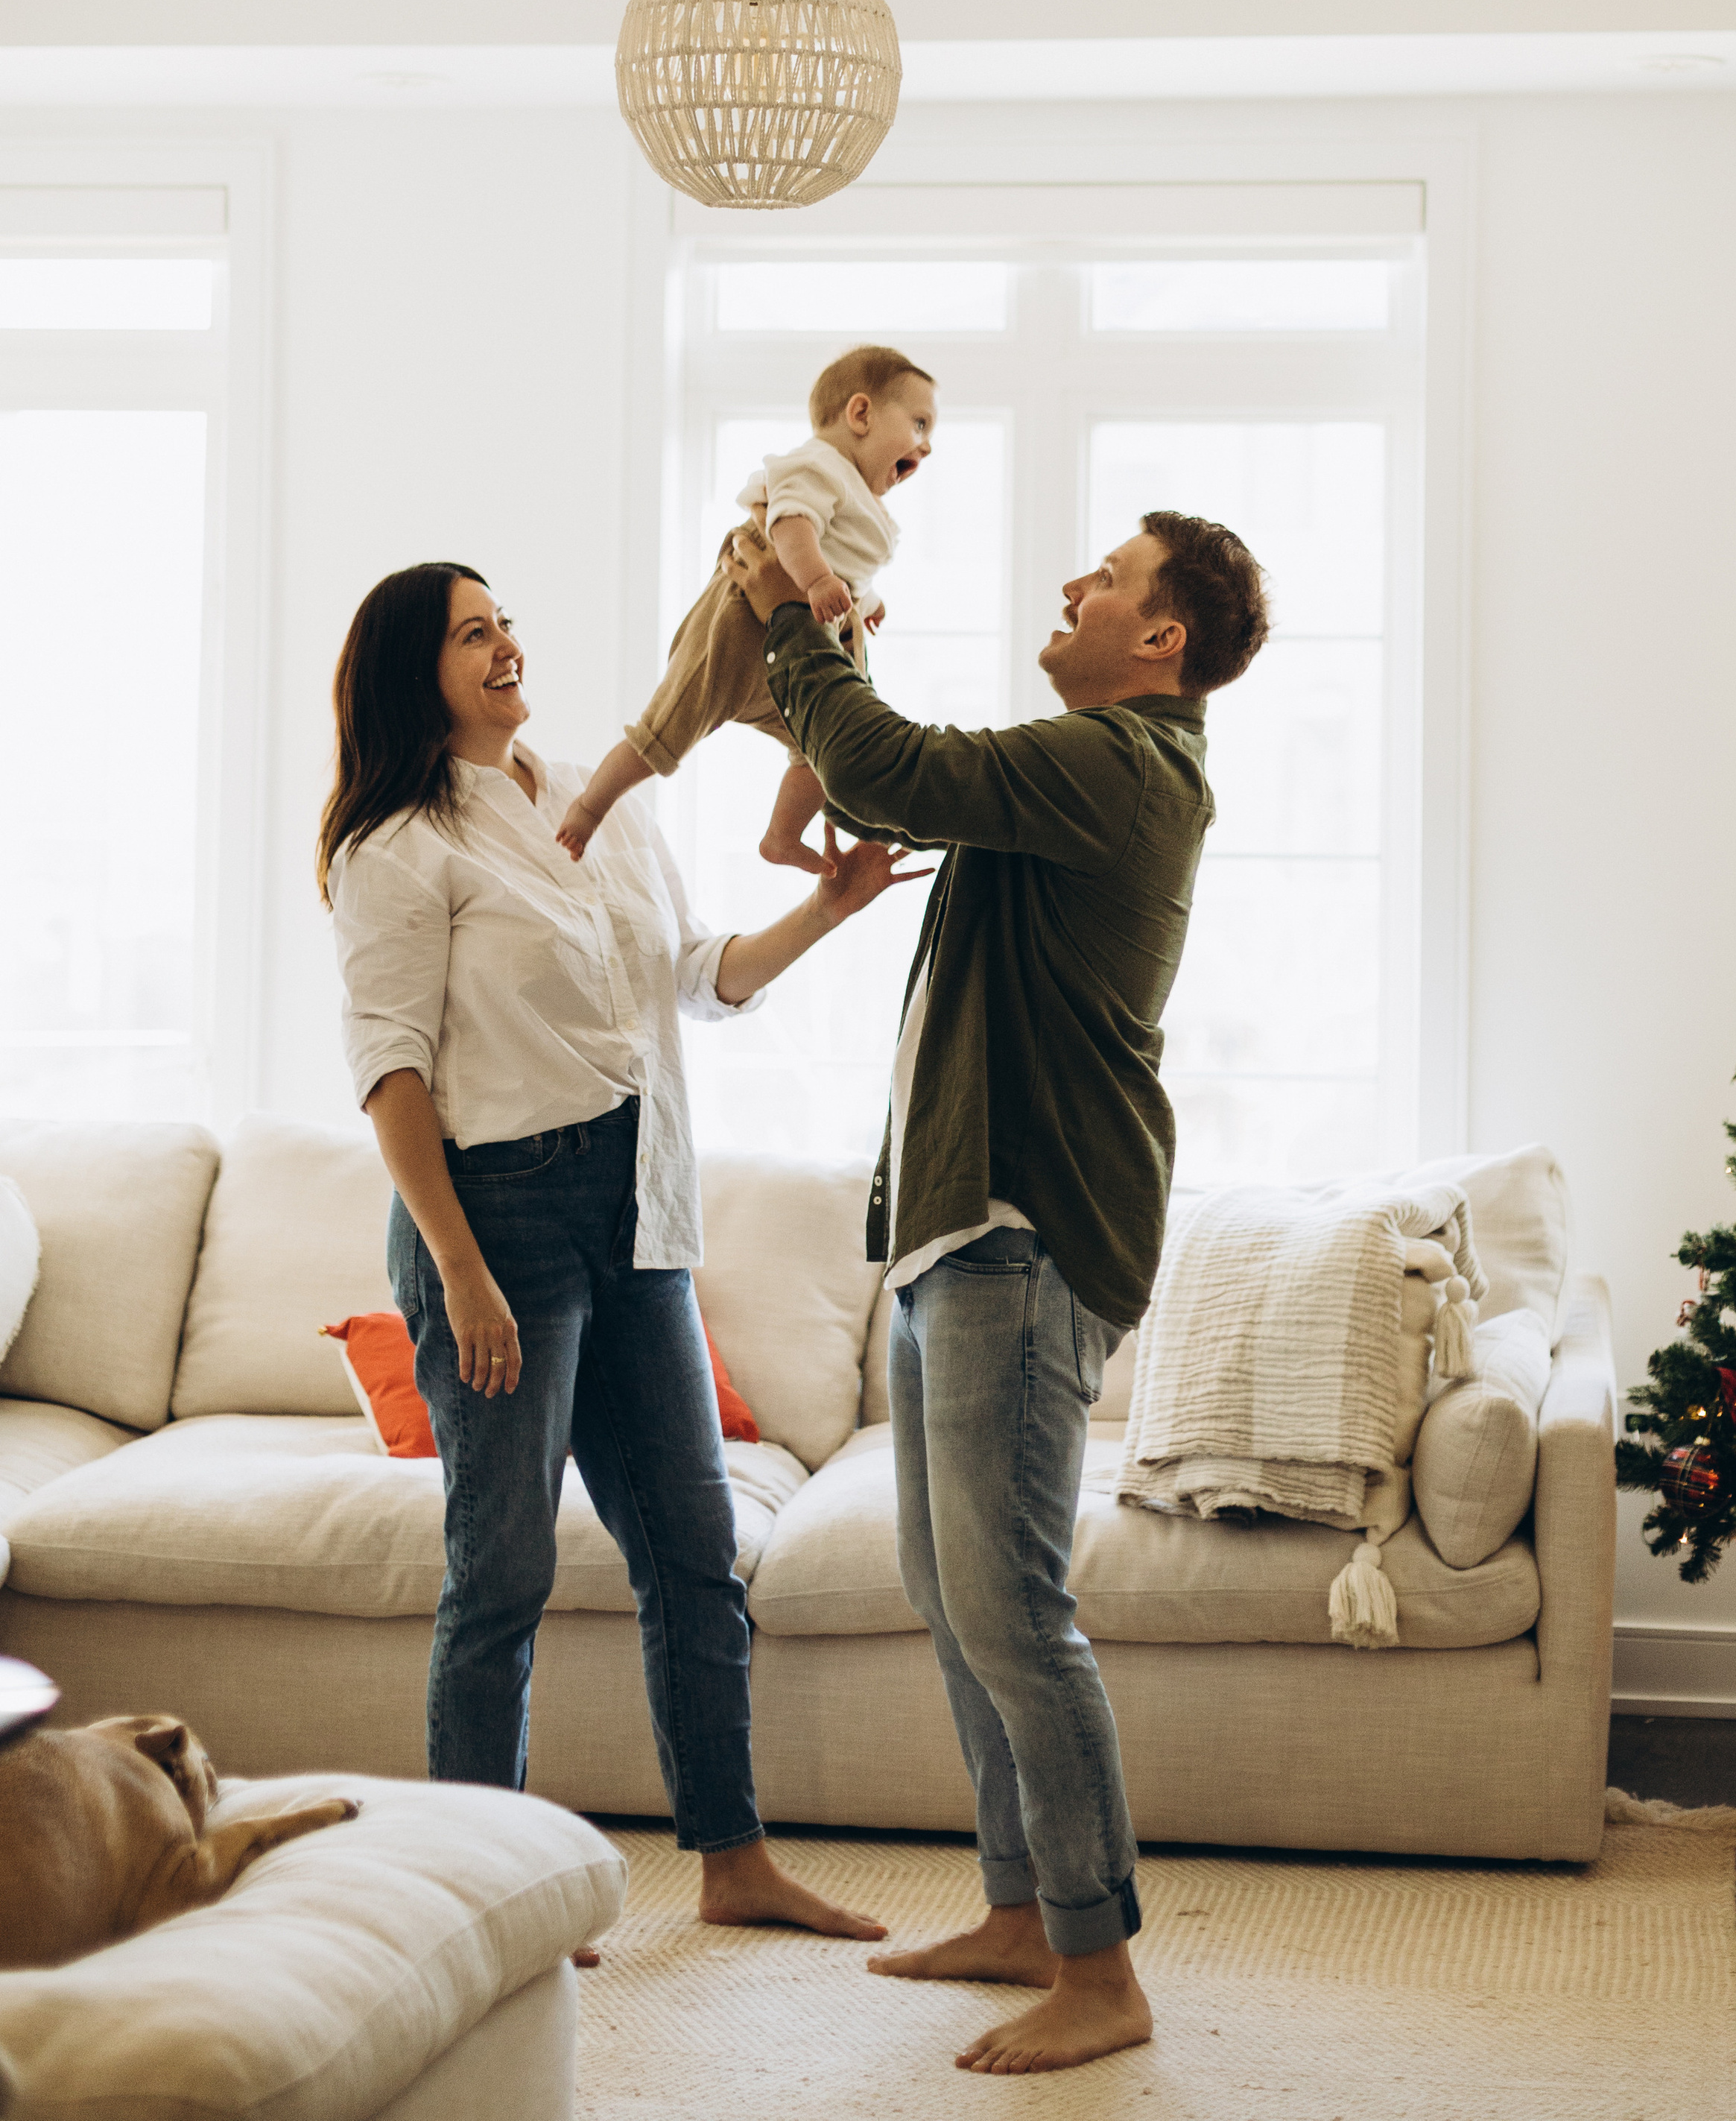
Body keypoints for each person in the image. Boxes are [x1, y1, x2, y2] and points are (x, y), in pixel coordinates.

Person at [725, 507, 1270, 2074]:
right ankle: (1023, 1914)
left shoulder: (1121, 766)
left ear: (1158, 637)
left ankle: (1100, 1973)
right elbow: (875, 766)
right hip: (969, 1229)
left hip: (1024, 1238)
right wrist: (812, 682)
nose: (1072, 586)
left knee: (1013, 1609)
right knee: (952, 1592)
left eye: (1103, 577)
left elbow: (892, 765)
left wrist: (795, 622)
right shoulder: (1084, 769)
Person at [320, 560, 926, 1942]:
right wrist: (463, 1274)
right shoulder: (399, 848)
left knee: (696, 1550)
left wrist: (827, 909)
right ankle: (481, 1895)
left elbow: (695, 977)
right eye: (472, 634)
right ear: (417, 670)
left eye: (506, 623)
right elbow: (391, 1075)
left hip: (637, 1209)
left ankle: (734, 1863)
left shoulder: (604, 793)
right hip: (495, 1220)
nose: (505, 646)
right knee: (504, 1575)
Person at [556, 347, 937, 874]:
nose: (928, 444)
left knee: (820, 755)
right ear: (861, 414)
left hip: (801, 640)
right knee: (667, 728)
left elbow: (848, 560)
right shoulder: (820, 465)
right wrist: (819, 579)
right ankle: (589, 806)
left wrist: (865, 600)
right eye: (919, 423)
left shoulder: (862, 501)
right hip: (742, 622)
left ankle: (781, 836)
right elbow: (790, 525)